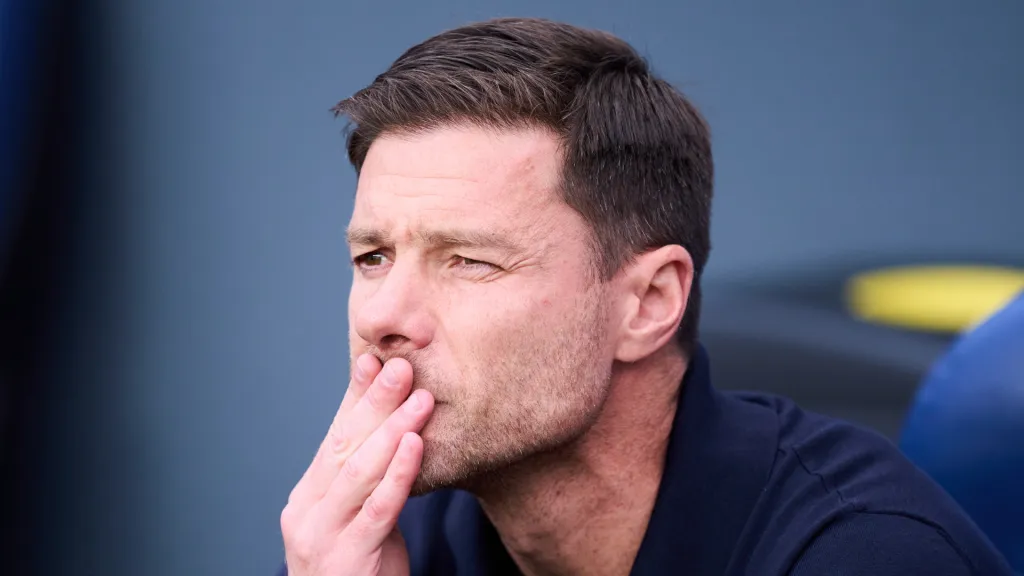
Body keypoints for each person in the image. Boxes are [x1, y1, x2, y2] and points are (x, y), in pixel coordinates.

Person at [277, 17, 1013, 576]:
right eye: (373, 257)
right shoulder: (389, 541)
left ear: (650, 302)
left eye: (468, 261)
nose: (381, 317)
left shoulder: (866, 552)